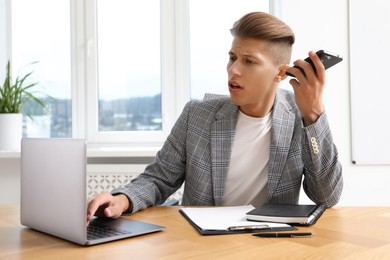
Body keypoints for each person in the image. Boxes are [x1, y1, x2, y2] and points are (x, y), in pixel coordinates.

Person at [87, 11, 343, 222]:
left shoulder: (303, 117)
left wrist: (313, 115)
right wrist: (121, 200)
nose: (233, 70)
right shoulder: (197, 115)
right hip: (203, 243)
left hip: (269, 243)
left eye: (249, 61)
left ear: (280, 74)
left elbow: (327, 196)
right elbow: (158, 179)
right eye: (232, 58)